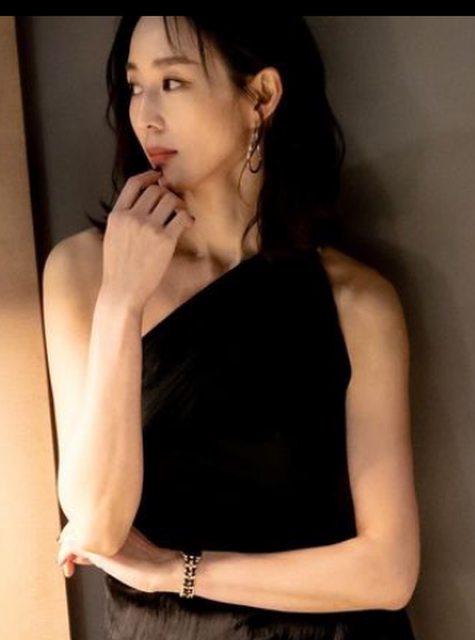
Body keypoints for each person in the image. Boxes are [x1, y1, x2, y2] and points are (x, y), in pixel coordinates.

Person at [43, 15, 420, 639]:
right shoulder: (84, 272)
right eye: (135, 86)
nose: (145, 116)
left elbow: (389, 571)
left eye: (172, 82)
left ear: (261, 96)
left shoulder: (357, 301)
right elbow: (97, 524)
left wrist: (175, 572)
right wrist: (121, 302)